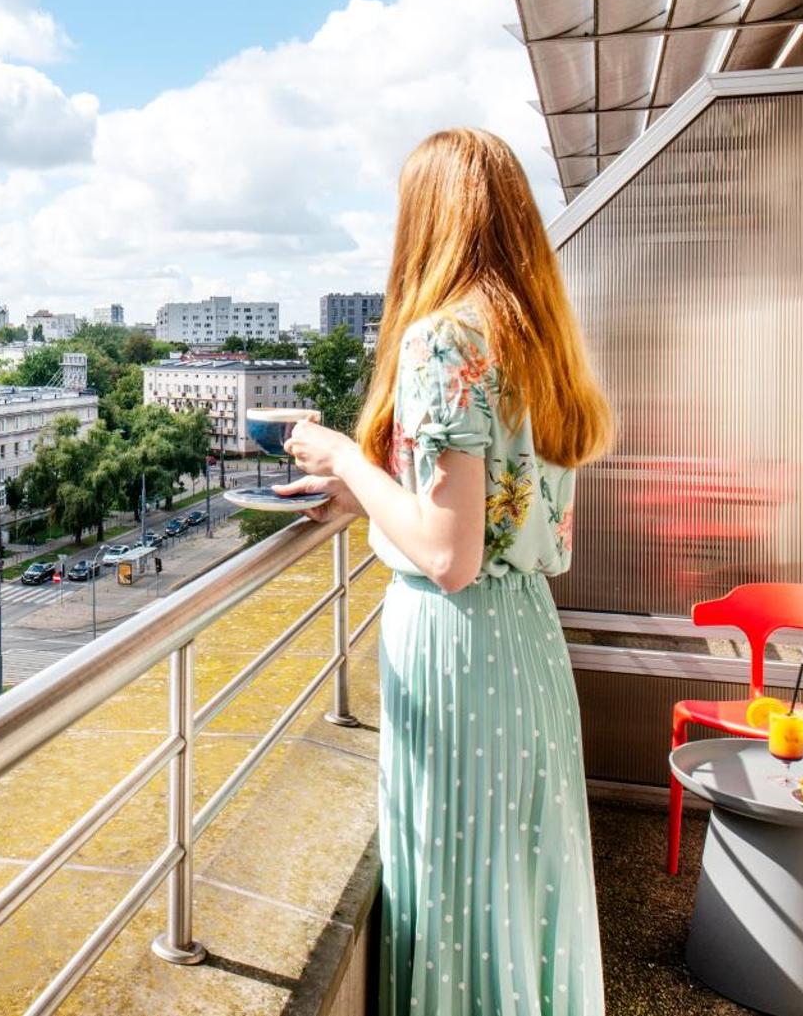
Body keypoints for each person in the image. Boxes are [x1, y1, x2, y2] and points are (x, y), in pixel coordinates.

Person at [277, 128, 612, 1016]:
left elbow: (446, 554)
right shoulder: (535, 338)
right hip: (526, 639)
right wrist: (373, 491)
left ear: (429, 222)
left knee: (464, 885)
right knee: (520, 877)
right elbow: (479, 507)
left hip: (461, 656)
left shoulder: (443, 341)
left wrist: (346, 459)